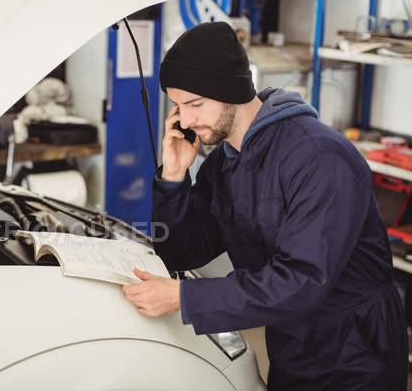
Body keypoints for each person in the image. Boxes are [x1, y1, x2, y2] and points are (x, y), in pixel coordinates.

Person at [121, 21, 407, 390]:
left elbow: (302, 281)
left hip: (354, 355)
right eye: (178, 106)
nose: (185, 120)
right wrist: (174, 177)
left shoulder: (320, 158)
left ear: (231, 92)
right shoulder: (224, 164)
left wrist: (183, 297)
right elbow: (180, 252)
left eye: (195, 104)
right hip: (292, 346)